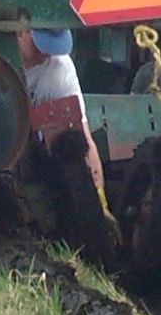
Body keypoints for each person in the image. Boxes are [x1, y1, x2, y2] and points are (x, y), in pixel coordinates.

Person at [17, 27, 112, 219]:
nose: (46, 53)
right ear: (20, 31)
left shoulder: (59, 68)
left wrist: (99, 203)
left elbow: (82, 139)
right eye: (39, 45)